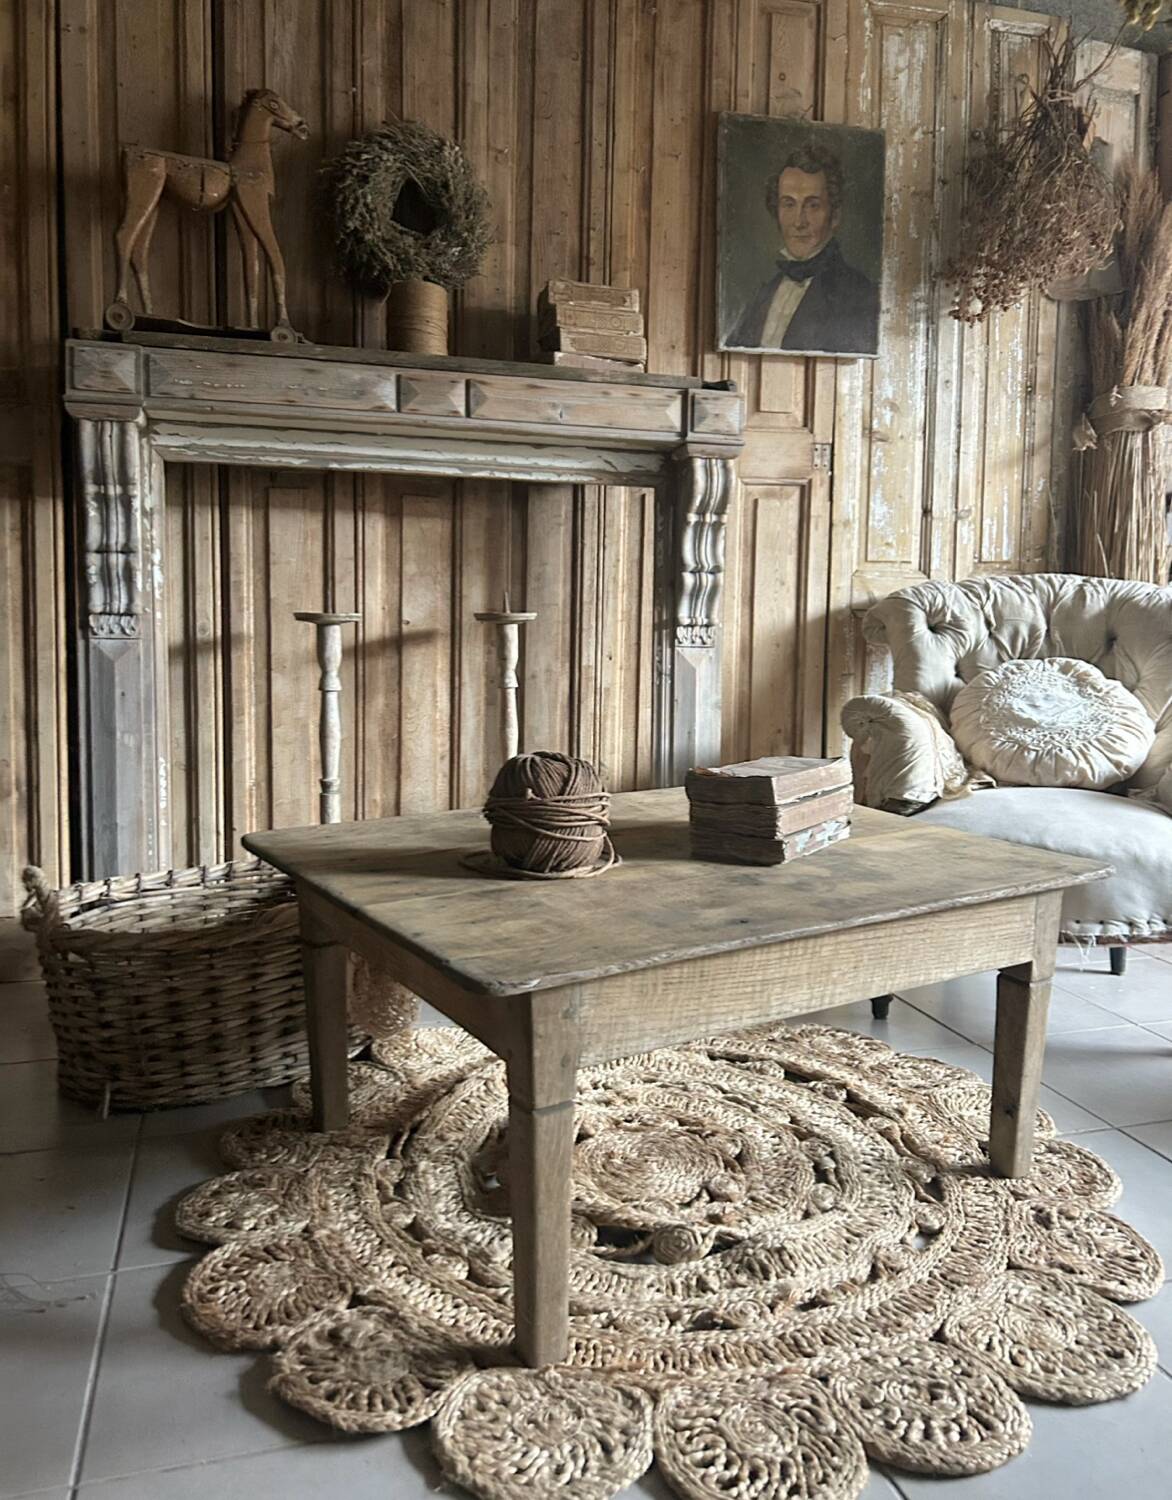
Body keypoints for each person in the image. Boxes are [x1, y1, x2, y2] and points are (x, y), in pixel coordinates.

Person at [727, 142, 879, 354]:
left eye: (812, 205)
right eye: (789, 204)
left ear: (835, 216)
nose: (799, 221)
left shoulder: (859, 296)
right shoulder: (763, 295)